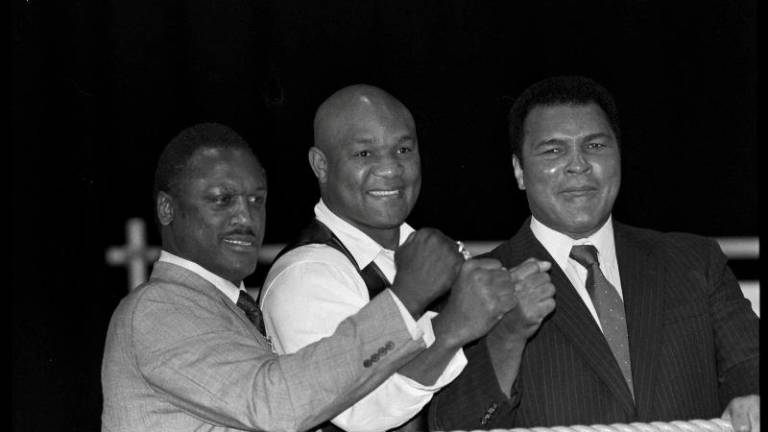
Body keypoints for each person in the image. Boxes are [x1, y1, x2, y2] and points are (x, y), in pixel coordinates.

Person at [100, 122, 519, 432]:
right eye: (222, 200)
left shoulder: (229, 309)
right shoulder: (158, 307)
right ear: (167, 209)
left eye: (256, 200)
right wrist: (405, 299)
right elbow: (276, 404)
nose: (245, 217)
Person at [428, 76, 760, 431]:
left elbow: (749, 365)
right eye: (553, 150)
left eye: (596, 146)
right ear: (519, 171)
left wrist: (752, 398)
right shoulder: (474, 283)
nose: (579, 165)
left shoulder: (694, 260)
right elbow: (453, 424)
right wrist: (508, 334)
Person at [259, 85, 554, 432]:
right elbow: (361, 413)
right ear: (320, 165)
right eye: (364, 154)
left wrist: (509, 330)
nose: (390, 169)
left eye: (402, 149)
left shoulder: (430, 252)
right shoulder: (306, 276)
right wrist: (452, 327)